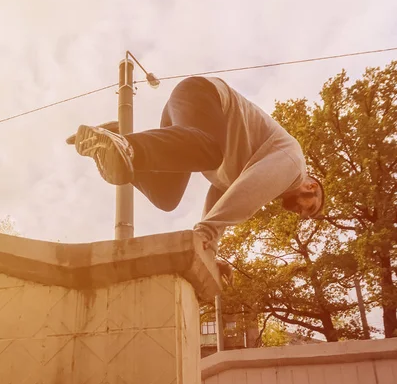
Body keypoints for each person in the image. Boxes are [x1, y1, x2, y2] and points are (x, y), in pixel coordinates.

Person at [67, 76, 324, 282]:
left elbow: (223, 199)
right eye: (310, 207)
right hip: (205, 96)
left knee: (165, 196)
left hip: (181, 117)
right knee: (210, 151)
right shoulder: (293, 166)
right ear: (311, 187)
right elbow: (248, 194)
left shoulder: (260, 168)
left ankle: (116, 136)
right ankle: (126, 145)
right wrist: (207, 231)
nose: (302, 213)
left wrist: (209, 251)